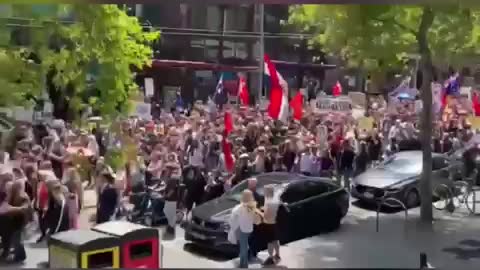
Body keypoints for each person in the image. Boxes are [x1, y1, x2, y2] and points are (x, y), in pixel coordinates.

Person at [228, 190, 262, 268]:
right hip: (248, 229)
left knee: (243, 247)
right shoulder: (252, 206)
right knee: (244, 245)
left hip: (241, 229)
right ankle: (243, 263)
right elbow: (254, 217)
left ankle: (244, 264)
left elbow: (233, 217)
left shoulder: (240, 207)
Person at [261, 185, 282, 265]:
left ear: (268, 192)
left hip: (268, 224)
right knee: (275, 240)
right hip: (275, 223)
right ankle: (277, 255)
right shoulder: (275, 199)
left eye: (265, 191)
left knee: (270, 242)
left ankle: (270, 258)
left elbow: (266, 214)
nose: (264, 192)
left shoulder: (269, 201)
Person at [163, 163, 180, 236]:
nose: (166, 171)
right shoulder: (169, 177)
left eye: (167, 169)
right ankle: (170, 228)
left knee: (170, 214)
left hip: (172, 199)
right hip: (171, 199)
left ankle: (171, 229)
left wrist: (166, 196)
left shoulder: (173, 178)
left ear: (170, 170)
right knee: (168, 213)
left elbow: (172, 190)